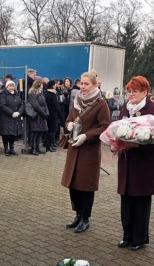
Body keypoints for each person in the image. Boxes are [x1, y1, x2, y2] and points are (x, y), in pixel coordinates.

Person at [114, 76, 154, 251]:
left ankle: (139, 238)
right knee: (126, 199)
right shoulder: (125, 109)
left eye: (135, 91)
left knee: (141, 201)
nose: (131, 94)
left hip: (145, 163)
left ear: (145, 92)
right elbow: (117, 131)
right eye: (129, 91)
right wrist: (116, 143)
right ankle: (126, 236)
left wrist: (144, 139)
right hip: (127, 162)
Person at [61, 72, 110, 233]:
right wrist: (68, 125)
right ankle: (77, 214)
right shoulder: (77, 101)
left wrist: (87, 136)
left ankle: (85, 218)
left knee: (85, 186)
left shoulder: (100, 104)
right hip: (74, 148)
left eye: (86, 84)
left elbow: (105, 127)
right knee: (73, 184)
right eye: (81, 83)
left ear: (95, 85)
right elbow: (69, 118)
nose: (83, 87)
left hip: (89, 150)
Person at [0, 80, 24, 156]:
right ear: (7, 87)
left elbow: (22, 104)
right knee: (6, 134)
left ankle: (12, 149)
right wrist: (11, 113)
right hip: (6, 117)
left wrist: (19, 112)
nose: (11, 87)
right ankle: (6, 150)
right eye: (10, 86)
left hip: (16, 117)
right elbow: (2, 105)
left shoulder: (17, 94)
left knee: (13, 134)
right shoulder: (3, 94)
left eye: (13, 86)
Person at [28, 79, 49, 155]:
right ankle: (33, 148)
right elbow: (35, 105)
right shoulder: (32, 93)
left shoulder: (41, 93)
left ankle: (37, 147)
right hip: (36, 115)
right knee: (35, 132)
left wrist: (47, 112)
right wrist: (43, 113)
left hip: (42, 115)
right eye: (42, 84)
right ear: (39, 85)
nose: (43, 86)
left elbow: (45, 104)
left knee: (40, 132)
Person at [44, 80, 62, 152]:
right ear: (52, 86)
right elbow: (56, 105)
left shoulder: (46, 93)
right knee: (53, 130)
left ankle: (47, 143)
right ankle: (50, 145)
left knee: (49, 130)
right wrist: (60, 114)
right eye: (55, 85)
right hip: (53, 114)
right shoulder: (53, 94)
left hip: (48, 114)